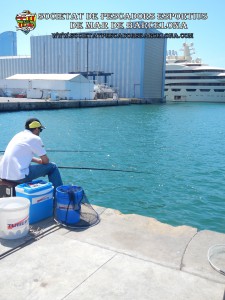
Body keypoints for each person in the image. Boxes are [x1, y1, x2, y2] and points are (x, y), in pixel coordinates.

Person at [0, 118, 63, 195]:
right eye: (40, 130)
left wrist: (38, 161)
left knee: (27, 167)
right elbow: (46, 161)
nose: (40, 132)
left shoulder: (18, 135)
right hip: (19, 177)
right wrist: (41, 161)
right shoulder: (35, 138)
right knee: (52, 167)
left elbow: (20, 156)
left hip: (3, 175)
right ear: (36, 129)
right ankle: (59, 196)